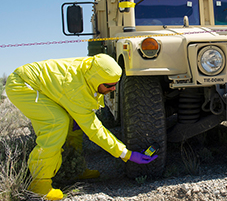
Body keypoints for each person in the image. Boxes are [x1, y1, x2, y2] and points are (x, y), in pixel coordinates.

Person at [5, 54, 157, 200]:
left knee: (75, 125)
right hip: (22, 85)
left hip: (47, 87)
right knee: (57, 123)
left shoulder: (90, 70)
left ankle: (76, 168)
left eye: (116, 85)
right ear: (96, 80)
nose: (113, 89)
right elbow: (95, 130)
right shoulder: (75, 89)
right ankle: (39, 184)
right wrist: (126, 154)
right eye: (109, 86)